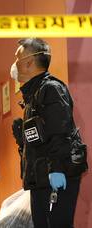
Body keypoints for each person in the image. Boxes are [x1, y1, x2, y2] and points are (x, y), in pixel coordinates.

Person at [10, 38, 87, 227]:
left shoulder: (50, 89)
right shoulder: (33, 95)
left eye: (17, 58)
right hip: (41, 178)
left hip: (54, 176)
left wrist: (57, 169)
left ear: (29, 62)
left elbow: (61, 133)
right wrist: (23, 139)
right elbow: (43, 137)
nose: (14, 64)